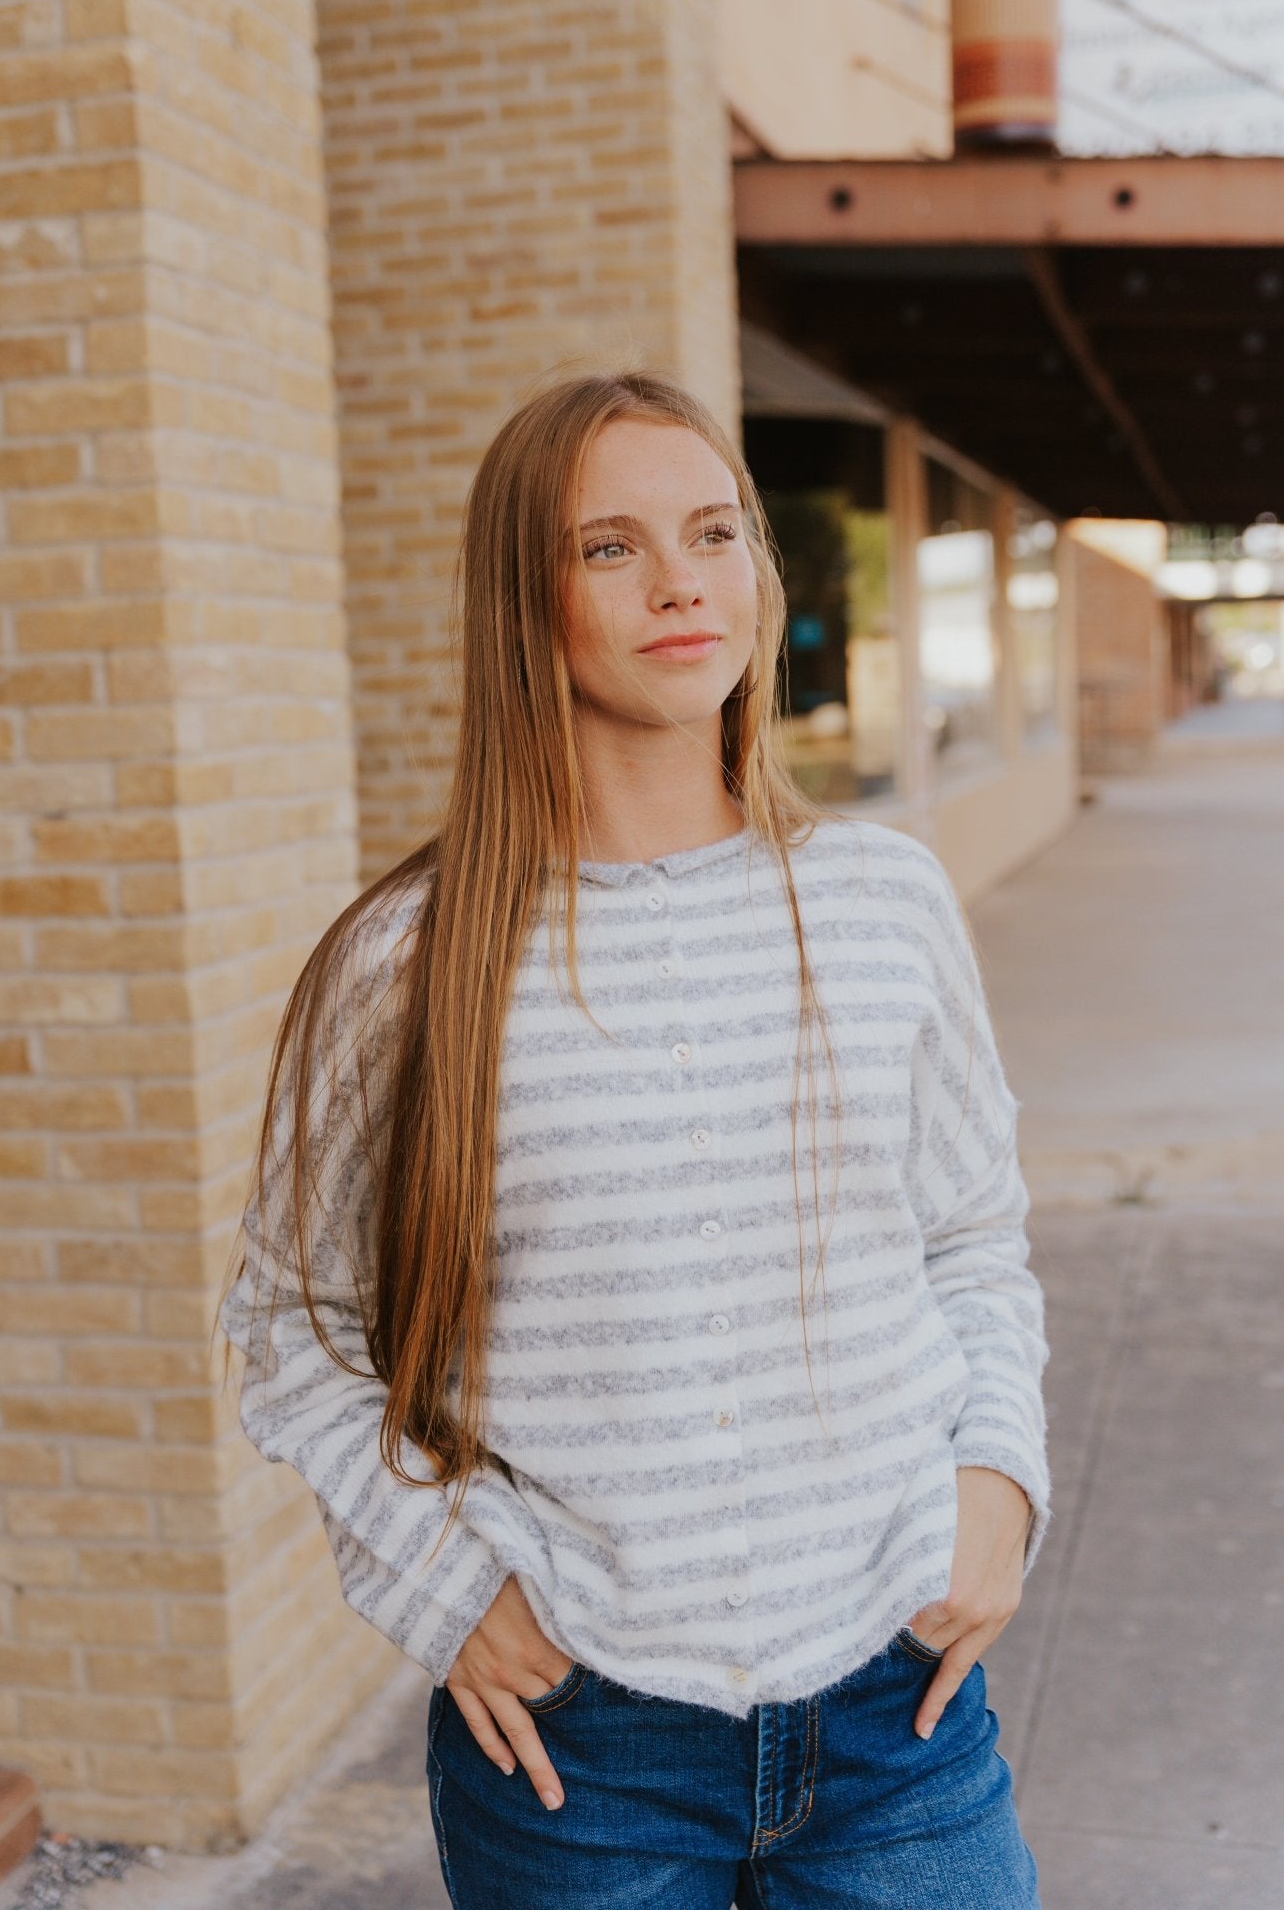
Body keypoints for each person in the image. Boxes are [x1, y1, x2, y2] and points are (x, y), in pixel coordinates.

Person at [219, 371, 1050, 1909]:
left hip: (900, 1710)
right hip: (579, 1753)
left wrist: (994, 1482)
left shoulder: (884, 899)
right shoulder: (406, 963)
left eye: (714, 532)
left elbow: (967, 1237)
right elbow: (291, 1321)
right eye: (609, 548)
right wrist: (448, 1582)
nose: (680, 581)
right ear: (520, 600)